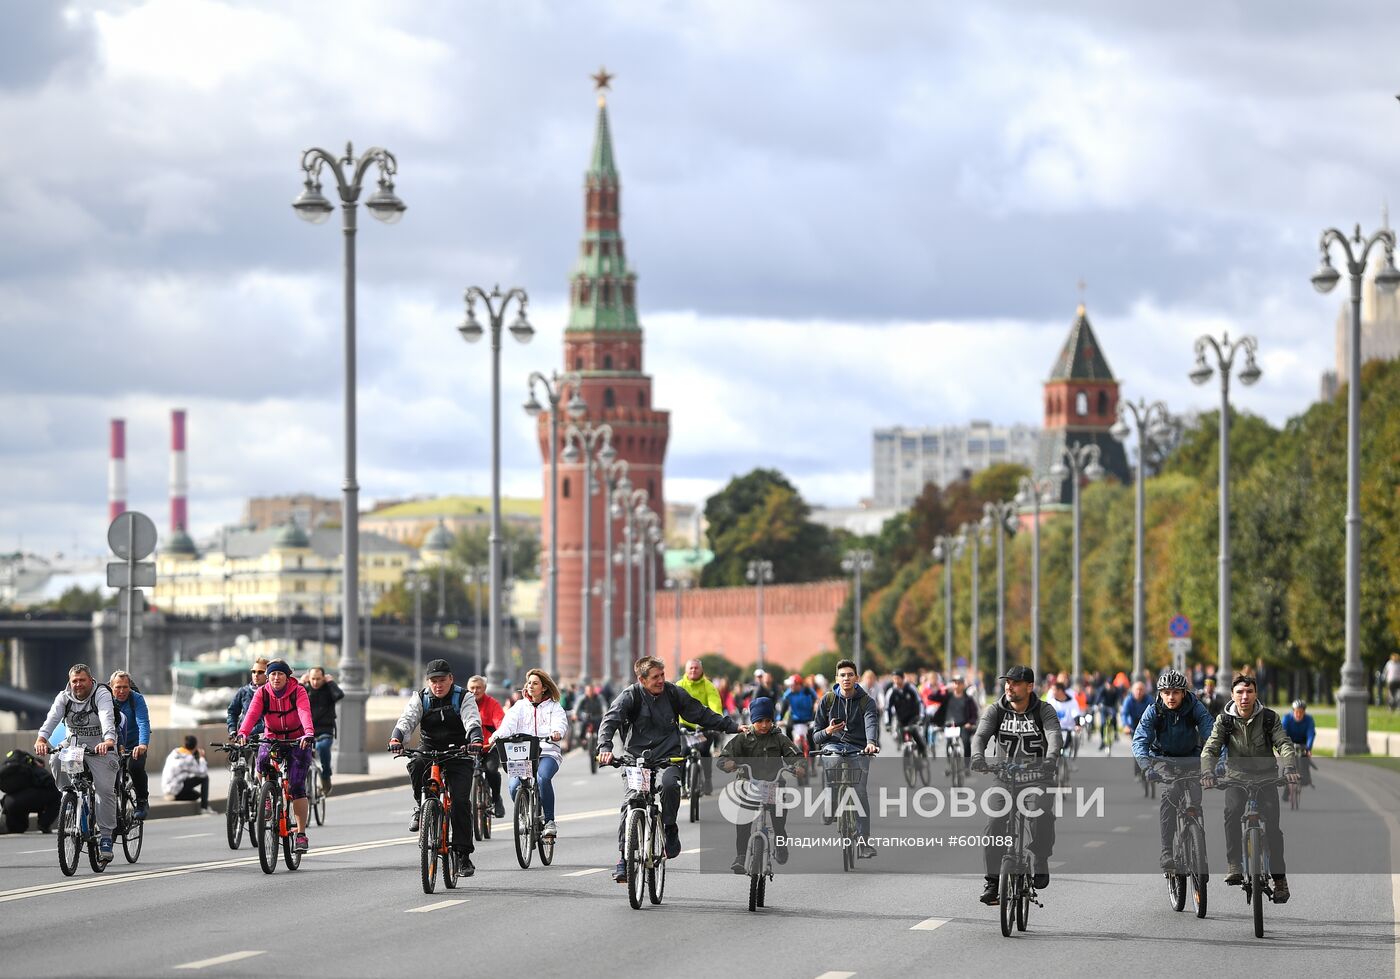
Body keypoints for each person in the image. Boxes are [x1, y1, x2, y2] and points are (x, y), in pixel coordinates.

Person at [597, 655, 743, 883]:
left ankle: (669, 827)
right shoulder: (631, 695)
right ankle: (624, 860)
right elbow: (610, 721)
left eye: (663, 675)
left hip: (668, 757)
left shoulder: (674, 693)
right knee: (631, 802)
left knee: (670, 785)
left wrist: (732, 726)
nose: (661, 680)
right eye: (655, 677)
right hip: (636, 760)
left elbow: (701, 713)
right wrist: (605, 746)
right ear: (642, 679)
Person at [1201, 674, 1299, 903]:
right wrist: (1207, 772)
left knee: (1273, 829)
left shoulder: (1268, 718)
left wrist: (1290, 767)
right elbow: (1211, 748)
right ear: (1233, 696)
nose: (1245, 697)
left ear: (1256, 694)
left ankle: (1280, 879)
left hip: (1266, 778)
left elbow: (1283, 743)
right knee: (1232, 813)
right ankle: (1234, 863)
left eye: (1249, 692)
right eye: (1240, 693)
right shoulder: (1224, 720)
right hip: (1236, 777)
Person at [970, 666, 1062, 905]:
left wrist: (1051, 759)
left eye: (1016, 683)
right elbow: (980, 736)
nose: (1009, 687)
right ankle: (992, 882)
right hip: (1005, 777)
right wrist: (978, 756)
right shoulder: (996, 710)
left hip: (1038, 777)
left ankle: (1040, 857)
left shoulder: (1044, 711)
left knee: (1040, 812)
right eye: (1007, 682)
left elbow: (1054, 736)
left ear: (1030, 687)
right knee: (993, 824)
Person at [389, 659, 482, 877]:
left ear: (451, 679)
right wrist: (396, 738)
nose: (438, 685)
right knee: (415, 764)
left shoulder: (464, 697)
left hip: (459, 751)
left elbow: (471, 720)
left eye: (442, 680)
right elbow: (407, 720)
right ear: (428, 682)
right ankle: (421, 807)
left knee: (460, 802)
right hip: (429, 747)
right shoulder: (420, 698)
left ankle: (463, 855)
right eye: (433, 681)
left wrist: (475, 739)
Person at [1132, 669, 1214, 871]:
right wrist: (1146, 767)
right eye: (1166, 692)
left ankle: (1197, 845)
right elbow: (1140, 739)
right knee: (1171, 793)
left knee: (1195, 799)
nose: (1171, 697)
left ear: (1184, 693)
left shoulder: (1195, 707)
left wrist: (1217, 764)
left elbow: (1212, 735)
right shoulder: (1154, 710)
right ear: (1160, 693)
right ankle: (1167, 851)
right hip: (1164, 759)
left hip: (1192, 758)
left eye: (1176, 692)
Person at [35, 664, 119, 862]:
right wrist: (41, 738)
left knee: (104, 790)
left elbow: (107, 716)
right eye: (74, 681)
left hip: (100, 747)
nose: (78, 684)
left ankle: (106, 837)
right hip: (74, 746)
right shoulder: (64, 697)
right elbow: (52, 718)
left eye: (82, 680)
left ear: (90, 680)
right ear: (69, 682)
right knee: (55, 757)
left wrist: (108, 740)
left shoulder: (101, 694)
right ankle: (68, 796)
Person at [716, 696, 804, 873]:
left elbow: (795, 755)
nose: (764, 725)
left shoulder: (779, 738)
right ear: (752, 721)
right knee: (743, 822)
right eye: (760, 721)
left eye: (768, 721)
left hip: (774, 785)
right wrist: (728, 764)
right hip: (749, 785)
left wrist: (798, 766)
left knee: (779, 821)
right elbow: (723, 757)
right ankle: (741, 856)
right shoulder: (743, 738)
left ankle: (780, 843)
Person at [236, 660, 315, 854]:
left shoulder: (298, 691)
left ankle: (301, 834)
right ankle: (267, 796)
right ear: (268, 676)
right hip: (273, 737)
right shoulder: (262, 693)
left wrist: (308, 733)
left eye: (280, 674)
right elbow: (252, 713)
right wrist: (243, 732)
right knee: (262, 760)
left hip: (298, 739)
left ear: (287, 677)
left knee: (297, 785)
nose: (276, 678)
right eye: (272, 674)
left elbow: (304, 712)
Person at [811, 659, 881, 859]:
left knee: (860, 792)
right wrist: (829, 730)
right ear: (837, 679)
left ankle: (864, 842)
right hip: (833, 745)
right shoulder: (828, 700)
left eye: (850, 674)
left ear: (856, 678)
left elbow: (871, 722)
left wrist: (871, 742)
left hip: (858, 748)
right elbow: (815, 736)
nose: (846, 678)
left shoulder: (866, 701)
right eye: (842, 675)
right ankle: (831, 802)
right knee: (831, 761)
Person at [495, 668, 569, 840]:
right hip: (523, 754)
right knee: (514, 786)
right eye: (529, 683)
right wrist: (496, 736)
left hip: (547, 751)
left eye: (535, 683)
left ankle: (549, 821)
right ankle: (523, 815)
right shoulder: (519, 706)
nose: (530, 686)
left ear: (544, 687)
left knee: (543, 778)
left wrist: (557, 731)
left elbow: (560, 722)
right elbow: (508, 725)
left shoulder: (554, 707)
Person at [676, 658, 724, 794]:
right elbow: (673, 705)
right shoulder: (680, 685)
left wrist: (716, 722)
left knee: (704, 751)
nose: (693, 670)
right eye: (691, 668)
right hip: (685, 725)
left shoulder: (708, 686)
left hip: (703, 726)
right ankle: (682, 785)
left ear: (701, 670)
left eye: (696, 668)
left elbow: (715, 704)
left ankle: (707, 781)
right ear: (686, 670)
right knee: (683, 752)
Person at [109, 670, 151, 819]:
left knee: (135, 767)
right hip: (112, 745)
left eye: (125, 687)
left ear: (130, 687)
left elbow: (143, 723)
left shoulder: (136, 699)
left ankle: (142, 801)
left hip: (134, 745)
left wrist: (142, 745)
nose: (121, 691)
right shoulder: (105, 700)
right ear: (111, 687)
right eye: (118, 687)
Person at [467, 675, 506, 817]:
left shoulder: (492, 704)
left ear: (484, 689)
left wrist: (497, 736)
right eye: (472, 688)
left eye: (478, 688)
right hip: (469, 748)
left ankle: (497, 799)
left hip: (489, 747)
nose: (475, 691)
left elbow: (500, 722)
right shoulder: (464, 704)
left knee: (491, 770)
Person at [302, 667, 343, 796]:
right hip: (307, 730)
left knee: (322, 747)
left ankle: (326, 776)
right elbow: (291, 698)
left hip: (325, 729)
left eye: (318, 679)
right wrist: (301, 683)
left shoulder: (328, 689)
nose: (315, 682)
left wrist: (331, 682)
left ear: (323, 678)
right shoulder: (306, 689)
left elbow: (339, 695)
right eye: (313, 679)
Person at [0, 747, 61, 834]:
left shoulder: (17, 766)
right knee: (57, 793)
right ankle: (44, 824)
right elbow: (50, 782)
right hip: (25, 801)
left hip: (9, 802)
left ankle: (10, 826)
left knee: (19, 828)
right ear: (38, 763)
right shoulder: (34, 767)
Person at [930, 675, 980, 770]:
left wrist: (970, 723)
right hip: (950, 725)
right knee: (949, 743)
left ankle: (966, 765)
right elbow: (932, 697)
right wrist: (942, 689)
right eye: (955, 683)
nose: (956, 685)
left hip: (963, 725)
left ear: (963, 685)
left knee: (966, 742)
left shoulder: (968, 699)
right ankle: (949, 764)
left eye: (959, 683)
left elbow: (974, 713)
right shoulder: (948, 697)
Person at [161, 735, 211, 811]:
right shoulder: (188, 758)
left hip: (166, 788)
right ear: (195, 747)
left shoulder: (174, 752)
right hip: (175, 789)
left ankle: (171, 795)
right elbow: (202, 773)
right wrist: (201, 758)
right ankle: (204, 808)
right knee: (205, 778)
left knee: (196, 795)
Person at [884, 670, 926, 757]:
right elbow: (887, 708)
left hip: (913, 718)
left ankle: (922, 751)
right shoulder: (892, 692)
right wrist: (887, 723)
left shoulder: (911, 688)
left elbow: (920, 702)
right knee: (899, 737)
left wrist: (921, 717)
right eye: (894, 679)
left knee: (915, 734)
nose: (896, 681)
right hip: (901, 719)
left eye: (898, 678)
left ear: (903, 678)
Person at [226, 658, 270, 737]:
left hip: (267, 738)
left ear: (268, 674)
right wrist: (232, 730)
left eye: (260, 672)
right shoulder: (243, 691)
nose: (256, 675)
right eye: (253, 672)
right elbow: (232, 712)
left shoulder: (273, 693)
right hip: (246, 738)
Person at [1280, 699, 1316, 789]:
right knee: (1288, 759)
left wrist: (1309, 748)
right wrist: (1284, 746)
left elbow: (1311, 733)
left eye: (1301, 712)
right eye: (1297, 712)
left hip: (1303, 742)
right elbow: (1282, 733)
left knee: (1305, 758)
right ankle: (1286, 785)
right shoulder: (1287, 718)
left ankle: (1306, 776)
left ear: (1304, 712)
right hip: (1290, 741)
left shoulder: (1309, 719)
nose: (1299, 714)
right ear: (1293, 711)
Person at [778, 673, 817, 756]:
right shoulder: (788, 694)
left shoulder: (808, 691)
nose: (790, 687)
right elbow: (783, 707)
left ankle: (813, 761)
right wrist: (779, 719)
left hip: (808, 719)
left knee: (811, 738)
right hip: (795, 719)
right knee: (788, 729)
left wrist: (816, 714)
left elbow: (817, 702)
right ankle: (790, 750)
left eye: (792, 685)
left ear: (799, 685)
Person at [1091, 675, 1123, 750]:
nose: (1109, 686)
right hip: (1104, 707)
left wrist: (1121, 705)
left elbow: (1120, 698)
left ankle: (1115, 733)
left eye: (1111, 685)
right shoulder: (1102, 689)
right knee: (1102, 724)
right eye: (1108, 684)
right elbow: (1098, 697)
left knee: (1114, 718)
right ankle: (1102, 741)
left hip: (1112, 706)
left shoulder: (1116, 690)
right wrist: (1096, 705)